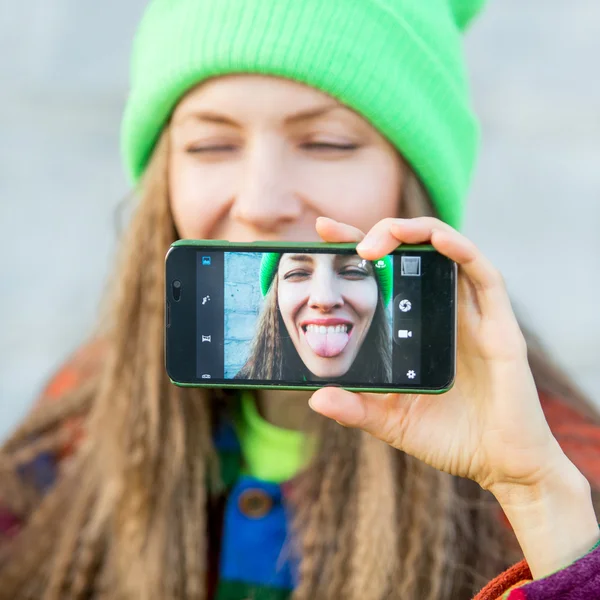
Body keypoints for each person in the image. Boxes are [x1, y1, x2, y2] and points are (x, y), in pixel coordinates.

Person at [1, 1, 600, 599]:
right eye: (211, 146)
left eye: (329, 143)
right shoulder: (70, 437)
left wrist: (540, 502)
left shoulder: (556, 472)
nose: (262, 201)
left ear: (410, 184)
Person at [235, 252, 393, 383]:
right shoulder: (233, 396)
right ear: (276, 297)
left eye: (353, 271)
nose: (325, 299)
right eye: (298, 273)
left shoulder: (410, 403)